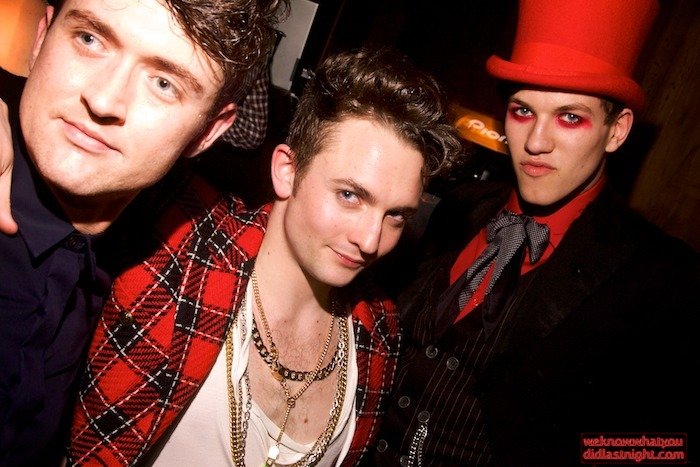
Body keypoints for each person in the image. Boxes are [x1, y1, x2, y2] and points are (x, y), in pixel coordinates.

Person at [66, 47, 462, 466]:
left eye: (396, 215)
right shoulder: (182, 253)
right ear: (287, 171)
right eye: (349, 195)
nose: (370, 240)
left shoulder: (380, 331)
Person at [366, 0, 699, 465]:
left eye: (570, 117)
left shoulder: (663, 279)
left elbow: (665, 447)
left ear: (617, 130)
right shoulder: (461, 206)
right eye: (523, 111)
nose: (536, 142)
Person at [0, 0, 283, 464]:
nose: (104, 100)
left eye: (163, 83)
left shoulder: (167, 252)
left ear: (207, 133)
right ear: (41, 38)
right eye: (90, 39)